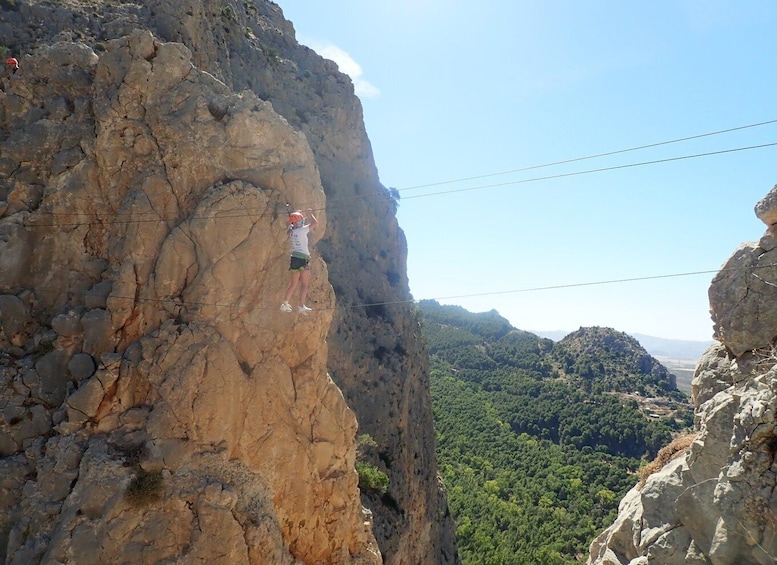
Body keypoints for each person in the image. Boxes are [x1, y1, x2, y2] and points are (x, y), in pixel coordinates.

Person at [280, 209, 318, 314]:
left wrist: (296, 214)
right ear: (299, 222)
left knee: (293, 284)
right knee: (304, 284)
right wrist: (310, 214)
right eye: (301, 221)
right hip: (303, 258)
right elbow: (315, 223)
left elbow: (288, 223)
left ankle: (285, 304)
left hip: (294, 258)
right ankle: (301, 306)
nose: (303, 222)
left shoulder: (291, 231)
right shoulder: (302, 230)